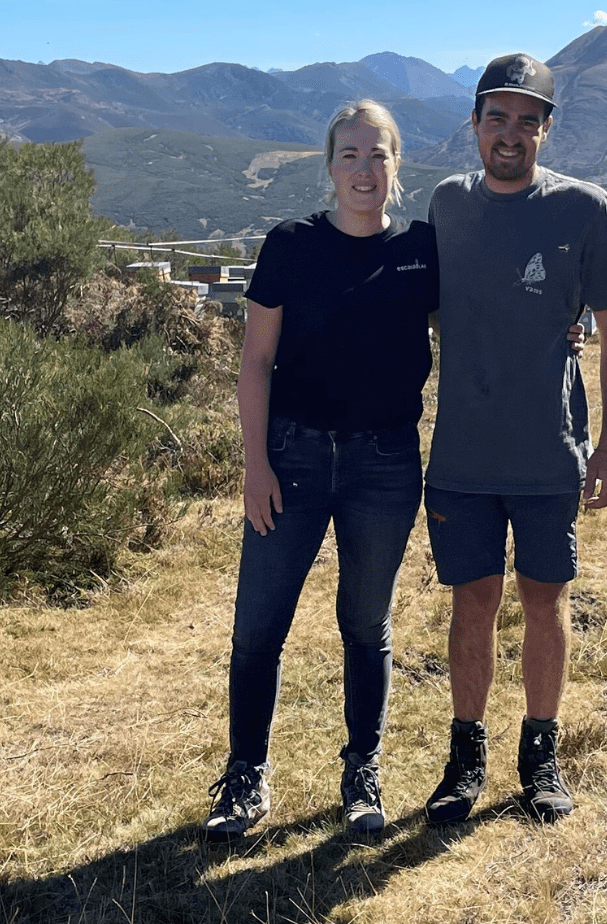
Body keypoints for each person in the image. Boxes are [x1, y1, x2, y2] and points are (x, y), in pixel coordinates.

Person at [202, 100, 438, 841]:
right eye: (350, 155)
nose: (364, 170)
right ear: (330, 166)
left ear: (397, 165)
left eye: (378, 154)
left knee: (366, 624)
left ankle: (362, 773)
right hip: (293, 459)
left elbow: (479, 324)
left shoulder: (423, 250)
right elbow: (255, 363)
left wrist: (561, 325)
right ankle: (246, 778)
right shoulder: (291, 245)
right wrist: (255, 467)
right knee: (258, 627)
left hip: (386, 464)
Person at [423, 53, 607, 824]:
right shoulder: (446, 203)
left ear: (547, 128)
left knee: (545, 601)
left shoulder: (586, 209)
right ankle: (465, 758)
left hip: (550, 450)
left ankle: (541, 756)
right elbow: (427, 306)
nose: (509, 134)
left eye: (526, 120)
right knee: (472, 602)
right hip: (461, 456)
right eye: (496, 118)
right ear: (474, 123)